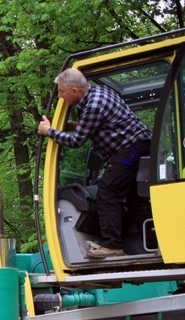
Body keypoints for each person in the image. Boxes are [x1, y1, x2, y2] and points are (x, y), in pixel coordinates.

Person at [38, 67, 153, 259]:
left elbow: (76, 141)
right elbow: (100, 126)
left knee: (108, 192)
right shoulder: (98, 94)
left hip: (130, 148)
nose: (59, 95)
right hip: (138, 145)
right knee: (135, 200)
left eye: (61, 91)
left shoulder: (93, 104)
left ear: (74, 90)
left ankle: (113, 246)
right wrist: (74, 127)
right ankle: (154, 244)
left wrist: (49, 131)